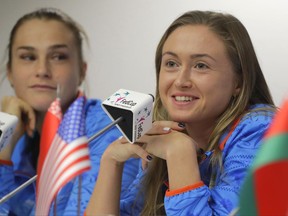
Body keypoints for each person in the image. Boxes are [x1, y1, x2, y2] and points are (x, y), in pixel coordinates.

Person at [85, 10, 276, 215]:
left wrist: (180, 153)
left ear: (238, 81)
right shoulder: (166, 134)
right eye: (171, 64)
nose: (180, 81)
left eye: (201, 65)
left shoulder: (263, 129)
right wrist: (111, 161)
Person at [0, 7, 139, 216]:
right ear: (9, 71)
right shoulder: (13, 130)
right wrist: (4, 143)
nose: (42, 70)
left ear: (82, 71)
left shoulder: (110, 130)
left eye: (58, 56)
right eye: (28, 57)